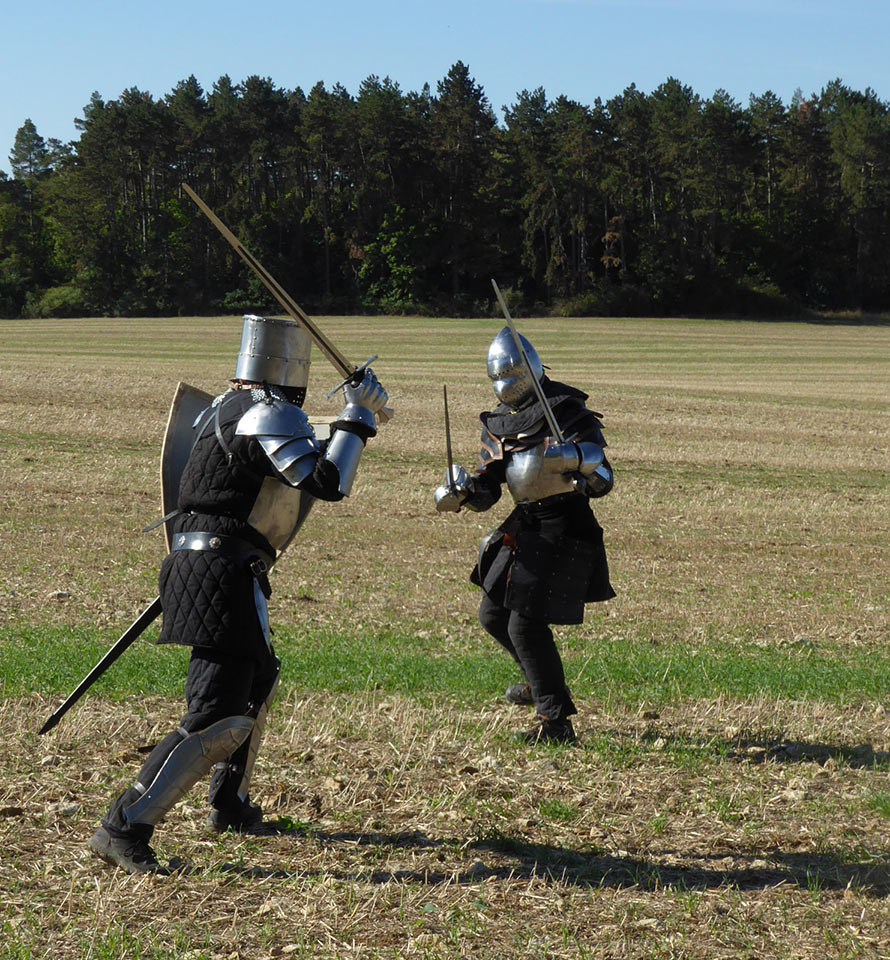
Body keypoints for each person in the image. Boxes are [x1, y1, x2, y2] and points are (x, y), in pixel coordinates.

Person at [87, 314, 388, 874]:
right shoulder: (266, 413)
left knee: (258, 680)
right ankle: (122, 827)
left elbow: (288, 463)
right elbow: (328, 482)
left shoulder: (221, 410)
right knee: (214, 714)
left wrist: (353, 423)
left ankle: (229, 804)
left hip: (219, 565)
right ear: (291, 370)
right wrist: (358, 418)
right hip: (218, 571)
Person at [434, 326, 614, 744]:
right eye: (497, 378)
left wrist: (577, 459)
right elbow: (490, 486)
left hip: (565, 525)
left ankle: (556, 723)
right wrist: (464, 491)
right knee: (493, 615)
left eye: (510, 376)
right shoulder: (500, 423)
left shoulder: (565, 410)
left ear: (529, 369)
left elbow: (604, 478)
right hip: (526, 523)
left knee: (524, 626)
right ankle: (539, 683)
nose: (504, 386)